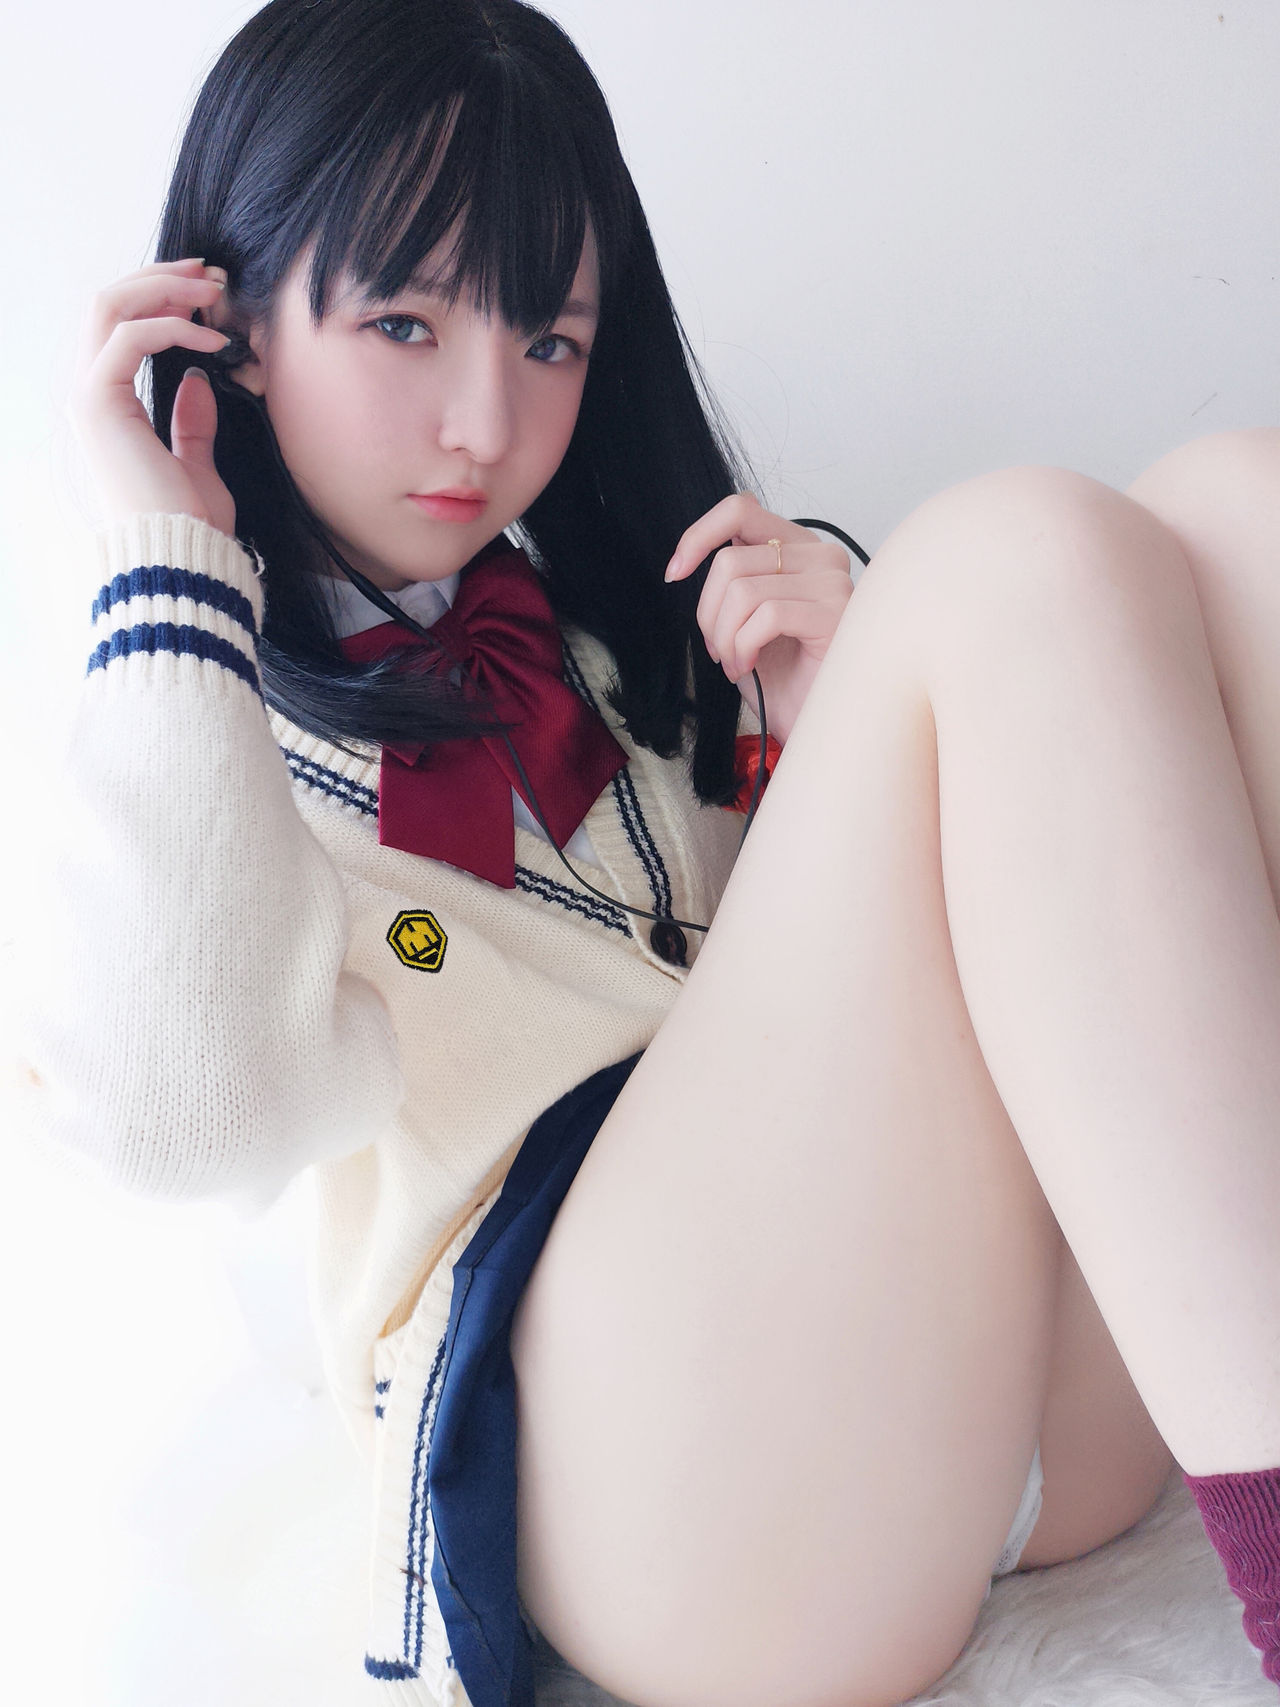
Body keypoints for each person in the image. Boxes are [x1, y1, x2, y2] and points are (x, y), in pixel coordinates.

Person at [21, 0, 1280, 1702]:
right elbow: (186, 1126)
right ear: (225, 330)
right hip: (675, 1502)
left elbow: (838, 1053)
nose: (485, 423)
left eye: (549, 340)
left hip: (988, 1404)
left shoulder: (628, 645)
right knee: (1015, 552)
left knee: (1237, 505)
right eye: (404, 323)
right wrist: (165, 575)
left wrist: (837, 730)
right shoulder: (180, 731)